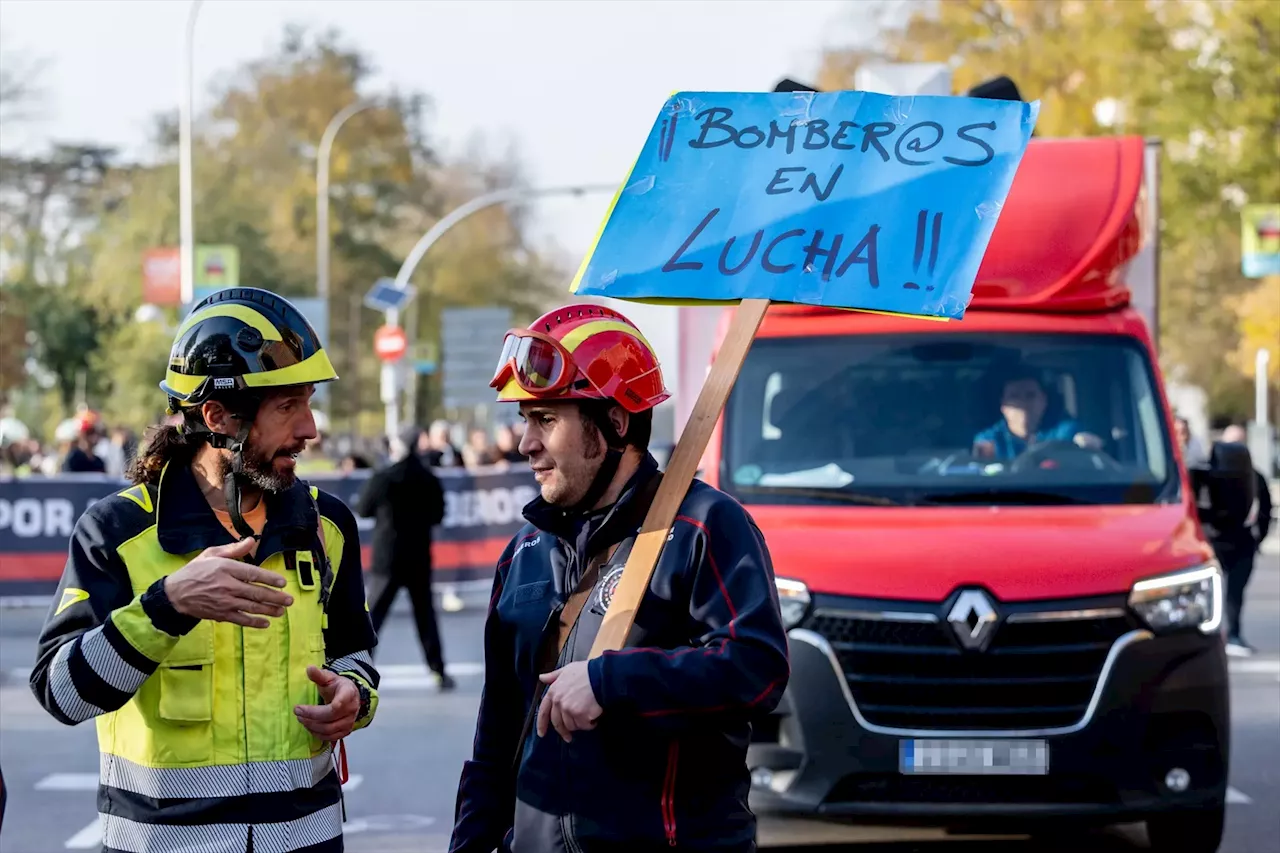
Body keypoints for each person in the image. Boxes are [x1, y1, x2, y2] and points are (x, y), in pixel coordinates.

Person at [29, 288, 379, 853]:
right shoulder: (115, 531)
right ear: (217, 417)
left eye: (309, 402)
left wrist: (353, 697)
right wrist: (167, 606)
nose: (310, 428)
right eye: (288, 407)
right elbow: (62, 693)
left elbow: (355, 652)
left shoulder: (327, 524)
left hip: (308, 841)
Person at [449, 304, 790, 853]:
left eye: (547, 420)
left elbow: (757, 669)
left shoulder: (705, 526)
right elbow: (496, 735)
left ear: (615, 422)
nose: (525, 444)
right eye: (526, 420)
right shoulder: (524, 554)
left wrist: (613, 681)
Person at [357, 423, 454, 691]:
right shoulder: (428, 478)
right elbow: (438, 514)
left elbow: (364, 508)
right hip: (418, 557)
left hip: (387, 557)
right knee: (426, 617)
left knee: (372, 617)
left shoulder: (385, 476)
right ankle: (439, 671)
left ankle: (360, 670)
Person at [1214, 424, 1273, 657]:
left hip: (1243, 543)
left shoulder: (1254, 477)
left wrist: (1258, 539)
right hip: (1214, 543)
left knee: (1235, 592)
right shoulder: (1209, 477)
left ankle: (1234, 635)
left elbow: (1265, 509)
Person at [973, 366, 1102, 461]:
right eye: (1014, 397)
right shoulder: (990, 440)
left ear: (1043, 401)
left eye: (1030, 396)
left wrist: (1088, 446)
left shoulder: (1066, 432)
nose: (1023, 403)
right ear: (1003, 406)